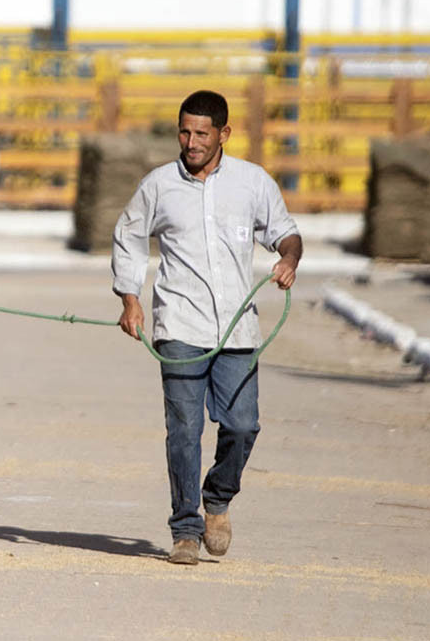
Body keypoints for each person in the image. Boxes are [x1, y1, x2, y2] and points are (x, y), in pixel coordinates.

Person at [110, 90, 302, 566]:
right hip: (179, 323)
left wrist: (288, 258)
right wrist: (130, 299)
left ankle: (217, 496)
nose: (191, 141)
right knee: (184, 429)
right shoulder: (158, 185)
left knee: (242, 426)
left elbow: (285, 230)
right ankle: (185, 530)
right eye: (185, 131)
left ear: (223, 134)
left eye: (201, 133)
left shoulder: (252, 182)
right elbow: (129, 236)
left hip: (238, 330)